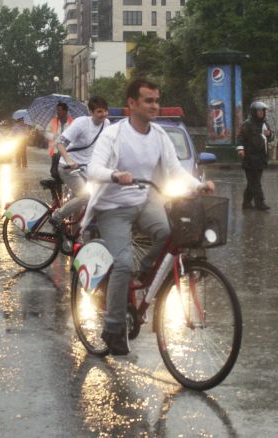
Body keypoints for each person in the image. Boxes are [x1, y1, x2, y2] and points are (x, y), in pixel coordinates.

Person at [82, 78, 215, 355]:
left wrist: (198, 185)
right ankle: (113, 326)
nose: (155, 105)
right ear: (132, 104)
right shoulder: (114, 134)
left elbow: (175, 169)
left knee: (169, 233)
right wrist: (114, 175)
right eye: (148, 100)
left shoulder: (159, 135)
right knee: (121, 263)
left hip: (144, 200)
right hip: (113, 208)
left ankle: (145, 269)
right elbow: (93, 169)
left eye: (157, 100)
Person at [50, 96, 110, 225]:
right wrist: (69, 160)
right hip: (68, 168)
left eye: (105, 111)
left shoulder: (107, 124)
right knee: (84, 196)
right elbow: (59, 143)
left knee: (106, 191)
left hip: (86, 168)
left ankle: (75, 234)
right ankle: (57, 215)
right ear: (91, 112)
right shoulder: (81, 123)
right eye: (99, 111)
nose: (103, 114)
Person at [236, 101, 273, 211]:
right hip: (250, 158)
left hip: (261, 158)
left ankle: (246, 203)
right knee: (255, 183)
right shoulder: (247, 124)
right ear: (254, 112)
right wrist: (241, 149)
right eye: (259, 111)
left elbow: (271, 138)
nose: (261, 113)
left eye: (263, 111)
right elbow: (240, 138)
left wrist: (269, 134)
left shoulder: (264, 123)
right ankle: (260, 204)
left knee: (252, 183)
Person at [45, 102, 72, 180]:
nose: (57, 112)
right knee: (54, 172)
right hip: (55, 150)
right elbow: (46, 132)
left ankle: (67, 188)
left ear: (65, 111)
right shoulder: (53, 121)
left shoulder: (72, 122)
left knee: (67, 171)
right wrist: (53, 136)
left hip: (68, 151)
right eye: (57, 110)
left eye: (59, 110)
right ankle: (58, 189)